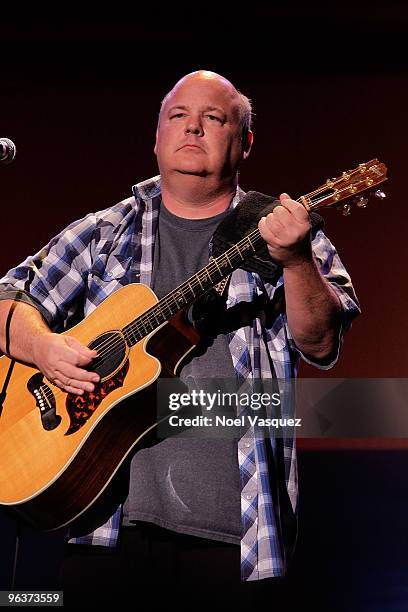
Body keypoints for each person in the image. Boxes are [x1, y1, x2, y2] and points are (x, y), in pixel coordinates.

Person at [0, 70, 360, 603]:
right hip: (104, 530)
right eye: (178, 117)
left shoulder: (286, 231)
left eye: (213, 118)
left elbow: (321, 343)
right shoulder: (105, 232)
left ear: (245, 142)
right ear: (157, 137)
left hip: (234, 541)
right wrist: (45, 348)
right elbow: (6, 303)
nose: (193, 129)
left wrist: (297, 259)